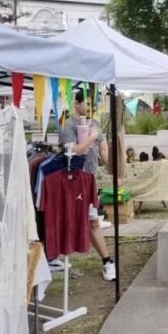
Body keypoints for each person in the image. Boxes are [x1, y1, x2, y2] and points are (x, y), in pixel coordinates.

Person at [59, 91, 116, 281]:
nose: (91, 107)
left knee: (93, 220)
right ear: (76, 103)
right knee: (66, 220)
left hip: (90, 179)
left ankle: (108, 261)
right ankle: (53, 257)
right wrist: (91, 137)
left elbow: (104, 150)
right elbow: (74, 151)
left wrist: (114, 168)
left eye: (94, 103)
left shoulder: (95, 123)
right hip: (73, 180)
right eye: (88, 103)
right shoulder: (68, 126)